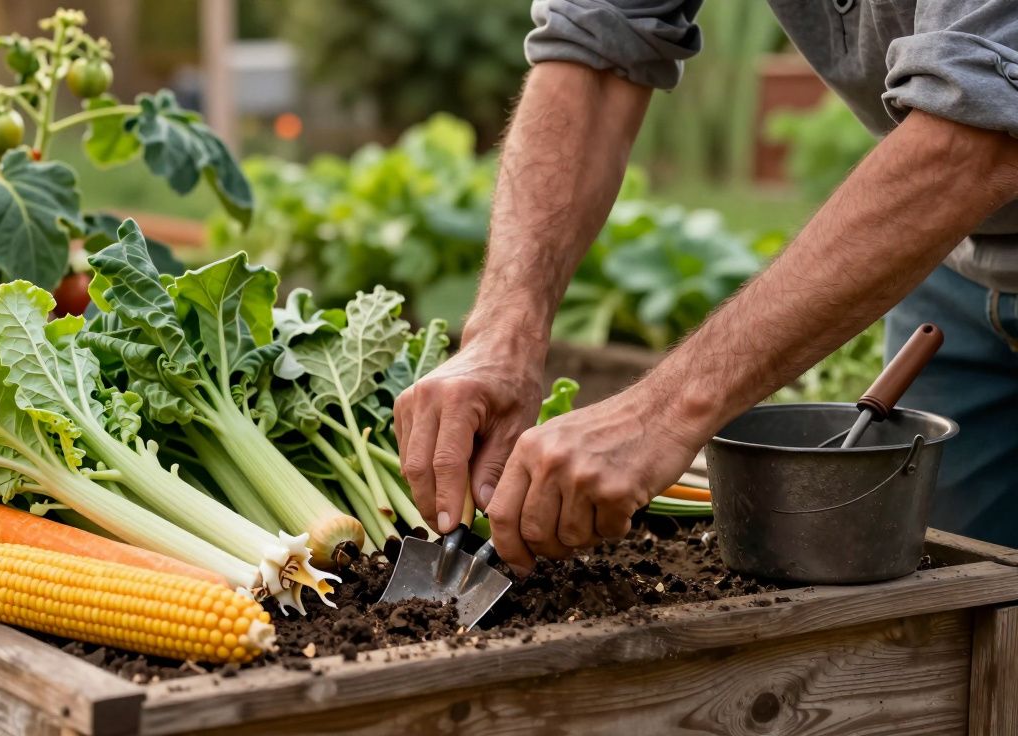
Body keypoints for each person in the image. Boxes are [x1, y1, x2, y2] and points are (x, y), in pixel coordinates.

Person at [394, 0, 1018, 574]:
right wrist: (502, 335)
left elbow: (975, 137)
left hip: (954, 189)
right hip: (953, 264)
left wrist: (661, 414)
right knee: (963, 610)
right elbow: (596, 49)